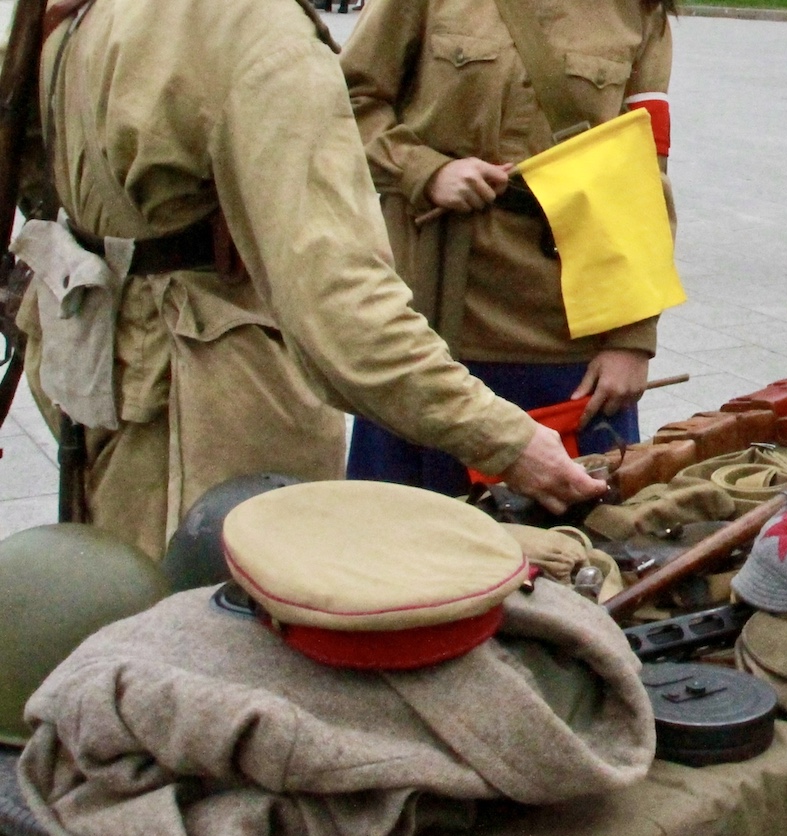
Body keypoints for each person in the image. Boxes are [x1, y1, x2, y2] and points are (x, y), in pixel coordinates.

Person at [16, 0, 604, 559]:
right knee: (229, 633)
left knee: (128, 624)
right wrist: (508, 439)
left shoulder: (98, 11)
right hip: (207, 409)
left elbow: (36, 175)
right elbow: (342, 309)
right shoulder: (257, 33)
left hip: (108, 374)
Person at [339, 0, 675, 495]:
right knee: (401, 535)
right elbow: (347, 99)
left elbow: (644, 175)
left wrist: (633, 338)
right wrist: (423, 170)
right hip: (430, 318)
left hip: (566, 338)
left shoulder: (638, 12)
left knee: (572, 544)